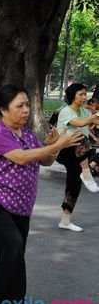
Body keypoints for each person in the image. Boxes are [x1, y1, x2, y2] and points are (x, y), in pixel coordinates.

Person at [0, 84, 82, 304]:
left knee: (17, 252)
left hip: (21, 205)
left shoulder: (29, 134)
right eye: (19, 105)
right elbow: (21, 158)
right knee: (10, 248)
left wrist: (52, 148)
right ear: (3, 109)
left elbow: (45, 161)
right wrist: (57, 144)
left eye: (27, 105)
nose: (25, 110)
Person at [55, 83, 99, 232]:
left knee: (74, 185)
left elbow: (93, 122)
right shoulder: (66, 111)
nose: (84, 97)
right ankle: (86, 172)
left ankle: (65, 220)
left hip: (80, 154)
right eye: (81, 94)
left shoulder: (85, 112)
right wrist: (94, 116)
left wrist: (95, 117)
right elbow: (80, 123)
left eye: (85, 94)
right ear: (72, 96)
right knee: (79, 136)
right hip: (64, 150)